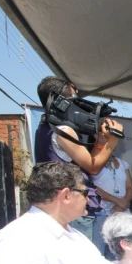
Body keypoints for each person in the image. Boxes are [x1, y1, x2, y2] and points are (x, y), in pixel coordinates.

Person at [34, 77, 124, 245]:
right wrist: (113, 140)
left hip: (57, 206)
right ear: (61, 102)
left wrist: (101, 143)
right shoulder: (63, 130)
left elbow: (89, 160)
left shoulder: (44, 128)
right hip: (72, 210)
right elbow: (93, 167)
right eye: (75, 100)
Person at [93, 153, 132, 257]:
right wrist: (117, 201)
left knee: (119, 252)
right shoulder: (92, 161)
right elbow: (92, 187)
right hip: (100, 211)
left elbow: (130, 187)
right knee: (98, 251)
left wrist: (122, 203)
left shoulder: (122, 163)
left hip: (121, 212)